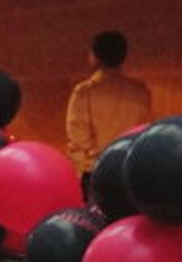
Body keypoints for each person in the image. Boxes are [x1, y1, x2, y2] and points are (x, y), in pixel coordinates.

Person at [65, 29, 151, 177]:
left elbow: (78, 137)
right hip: (129, 167)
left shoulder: (84, 91)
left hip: (95, 169)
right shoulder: (140, 91)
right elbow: (143, 130)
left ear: (95, 57)